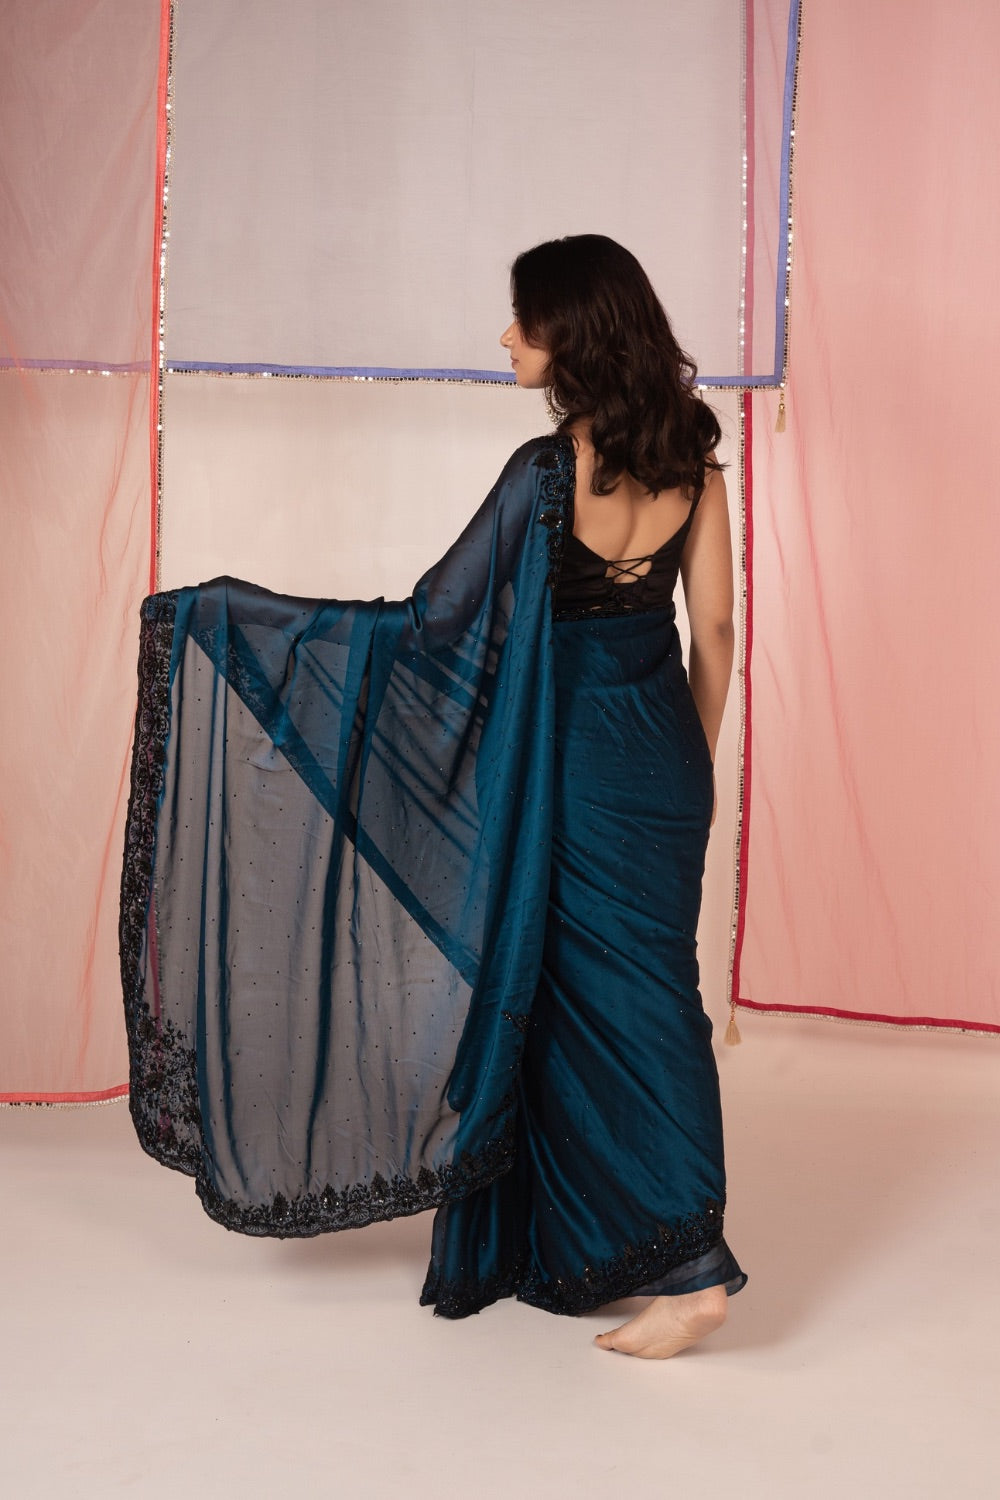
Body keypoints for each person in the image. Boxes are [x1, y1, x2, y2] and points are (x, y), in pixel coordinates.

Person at [120, 234, 745, 1364]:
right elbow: (715, 633)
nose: (508, 337)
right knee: (644, 997)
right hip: (662, 760)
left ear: (574, 335)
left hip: (564, 765)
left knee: (604, 1005)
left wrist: (235, 621)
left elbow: (431, 623)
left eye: (525, 320)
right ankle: (605, 1234)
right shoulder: (695, 463)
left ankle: (696, 1272)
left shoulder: (545, 474)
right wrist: (687, 770)